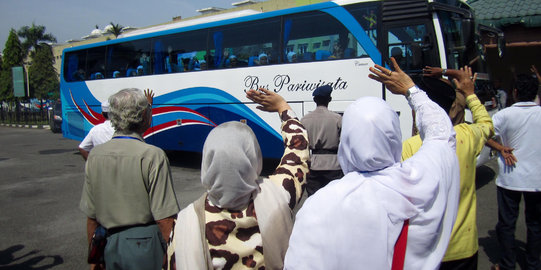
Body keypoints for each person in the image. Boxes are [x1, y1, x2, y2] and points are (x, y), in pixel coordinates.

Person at [284, 57, 459, 270]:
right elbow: (441, 134)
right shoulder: (425, 181)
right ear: (394, 135)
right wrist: (412, 91)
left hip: (317, 164)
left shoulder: (319, 207)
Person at [167, 88, 309, 270]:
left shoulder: (185, 224)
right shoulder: (279, 193)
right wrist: (283, 107)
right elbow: (298, 150)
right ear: (255, 159)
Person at [403, 66, 494, 270]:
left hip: (425, 250)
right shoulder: (467, 135)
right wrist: (470, 93)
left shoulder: (410, 147)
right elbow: (487, 124)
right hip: (464, 247)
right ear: (452, 105)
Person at [80, 88, 179, 270]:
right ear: (144, 116)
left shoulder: (95, 156)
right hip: (145, 249)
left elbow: (91, 217)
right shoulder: (152, 156)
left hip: (108, 245)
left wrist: (94, 257)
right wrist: (176, 258)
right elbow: (164, 219)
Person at [486, 74, 541, 270]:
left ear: (515, 92)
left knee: (507, 224)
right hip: (537, 180)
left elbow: (485, 135)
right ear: (536, 93)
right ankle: (533, 264)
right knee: (535, 225)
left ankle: (507, 264)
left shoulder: (503, 115)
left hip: (511, 177)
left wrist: (501, 148)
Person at [301, 85, 343, 196]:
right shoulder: (337, 118)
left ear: (314, 100)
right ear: (329, 99)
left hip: (314, 165)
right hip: (334, 165)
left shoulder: (305, 120)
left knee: (313, 199)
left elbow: (302, 145)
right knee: (334, 199)